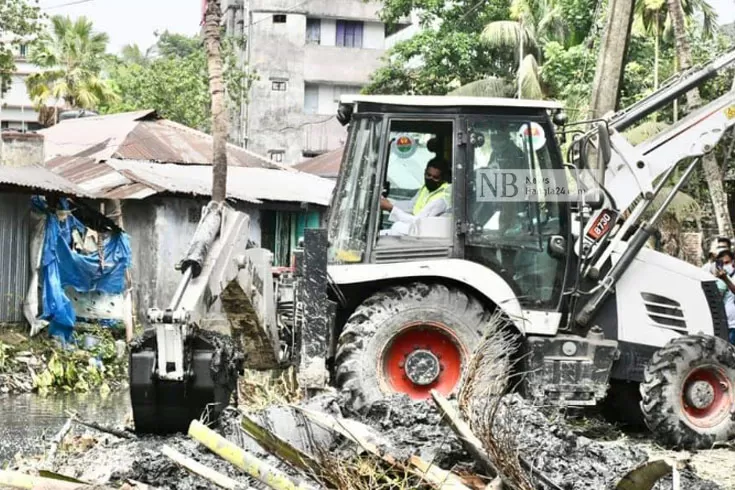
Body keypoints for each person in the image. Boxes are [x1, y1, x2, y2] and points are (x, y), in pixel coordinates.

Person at [379, 157, 451, 236]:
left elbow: (418, 222)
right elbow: (411, 205)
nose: (431, 179)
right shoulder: (427, 189)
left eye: (435, 177)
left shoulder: (441, 200)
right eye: (428, 175)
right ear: (424, 172)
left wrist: (391, 208)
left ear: (443, 179)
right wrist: (387, 202)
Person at [714, 248, 735, 344]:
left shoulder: (727, 278)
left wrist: (725, 279)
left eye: (727, 263)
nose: (726, 266)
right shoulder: (729, 277)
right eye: (722, 264)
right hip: (726, 324)